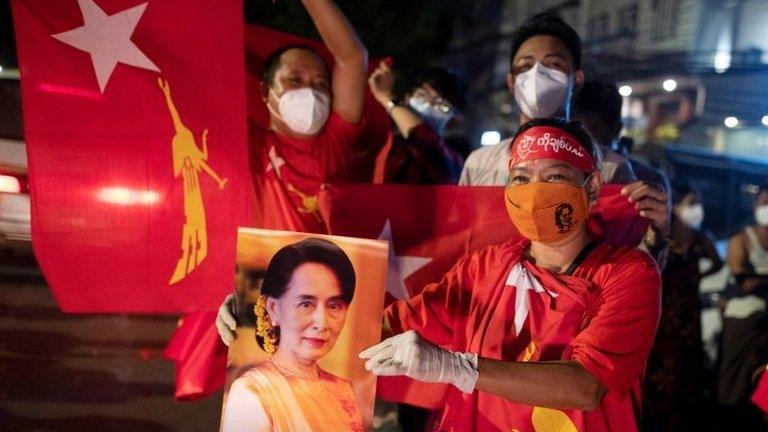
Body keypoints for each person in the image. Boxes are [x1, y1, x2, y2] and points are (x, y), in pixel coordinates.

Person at [361, 118, 661, 432]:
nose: (535, 191)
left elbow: (586, 387)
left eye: (555, 176)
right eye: (521, 177)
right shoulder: (484, 266)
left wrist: (457, 367)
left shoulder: (629, 274)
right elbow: (392, 324)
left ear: (593, 187)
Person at [458, 14, 669, 265]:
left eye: (554, 65)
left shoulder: (611, 168)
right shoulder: (479, 163)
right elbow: (460, 243)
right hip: (490, 301)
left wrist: (656, 233)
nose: (537, 75)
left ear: (576, 78)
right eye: (525, 66)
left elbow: (628, 266)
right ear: (511, 82)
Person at [215, 0, 367, 345]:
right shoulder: (243, 144)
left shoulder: (337, 144)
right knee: (260, 395)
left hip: (332, 307)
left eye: (320, 84)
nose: (309, 92)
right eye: (294, 80)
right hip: (260, 300)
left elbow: (353, 59)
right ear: (266, 93)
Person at [221, 238, 363, 432]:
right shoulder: (251, 392)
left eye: (334, 306)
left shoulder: (343, 389)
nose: (322, 323)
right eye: (306, 304)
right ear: (273, 308)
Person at [642, 182, 723, 432]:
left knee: (685, 373)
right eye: (691, 203)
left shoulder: (701, 238)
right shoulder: (661, 234)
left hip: (688, 314)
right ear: (675, 206)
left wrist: (701, 275)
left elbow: (717, 263)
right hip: (661, 314)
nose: (697, 209)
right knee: (657, 372)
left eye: (698, 203)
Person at [718, 183, 768, 431]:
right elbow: (742, 280)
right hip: (745, 320)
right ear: (756, 205)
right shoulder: (741, 239)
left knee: (762, 391)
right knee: (735, 382)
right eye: (765, 203)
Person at [368, 63, 467, 184]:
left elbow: (423, 138)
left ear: (453, 121)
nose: (429, 105)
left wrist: (387, 99)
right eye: (422, 96)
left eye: (442, 106)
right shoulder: (380, 142)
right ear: (407, 98)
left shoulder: (453, 161)